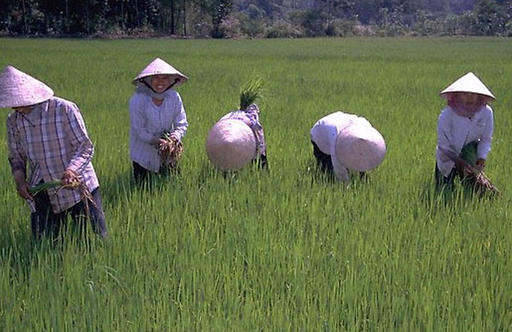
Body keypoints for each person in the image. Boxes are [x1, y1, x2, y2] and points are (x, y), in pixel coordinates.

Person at [1, 65, 107, 239]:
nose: (15, 107)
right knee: (47, 242)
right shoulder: (13, 121)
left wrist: (72, 170)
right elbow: (16, 156)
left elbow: (84, 147)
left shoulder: (64, 109)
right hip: (42, 187)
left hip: (79, 186)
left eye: (18, 102)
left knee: (95, 238)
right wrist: (20, 181)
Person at [129, 58, 188, 182]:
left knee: (173, 189)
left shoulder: (174, 97)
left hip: (168, 156)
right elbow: (139, 130)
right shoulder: (138, 100)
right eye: (156, 78)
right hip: (143, 157)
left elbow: (181, 122)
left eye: (165, 78)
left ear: (171, 80)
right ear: (148, 80)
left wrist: (174, 138)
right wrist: (156, 141)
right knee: (143, 192)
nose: (160, 82)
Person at [435, 72, 495, 189]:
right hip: (448, 155)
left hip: (470, 152)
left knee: (476, 189)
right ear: (457, 95)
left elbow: (486, 139)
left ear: (479, 95)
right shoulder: (447, 115)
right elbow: (443, 145)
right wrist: (460, 163)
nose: (469, 97)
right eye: (465, 94)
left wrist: (481, 157)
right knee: (443, 190)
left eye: (473, 94)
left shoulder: (487, 112)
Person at [310, 111, 386, 182]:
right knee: (328, 171)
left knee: (356, 161)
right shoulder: (335, 134)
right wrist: (344, 183)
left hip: (340, 126)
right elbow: (336, 160)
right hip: (320, 135)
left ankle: (361, 178)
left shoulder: (364, 126)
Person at [218, 103, 268, 169]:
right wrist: (262, 154)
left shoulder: (230, 115)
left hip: (222, 138)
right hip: (240, 141)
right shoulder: (252, 120)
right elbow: (260, 141)